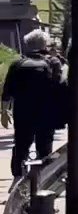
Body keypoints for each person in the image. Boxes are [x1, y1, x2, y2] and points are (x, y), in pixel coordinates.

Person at [3, 30, 67, 178]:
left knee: (21, 144)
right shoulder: (54, 62)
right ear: (44, 44)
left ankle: (18, 176)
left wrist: (4, 111)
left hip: (22, 112)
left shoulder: (17, 64)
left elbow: (7, 90)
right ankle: (43, 177)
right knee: (44, 146)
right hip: (46, 111)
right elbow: (60, 85)